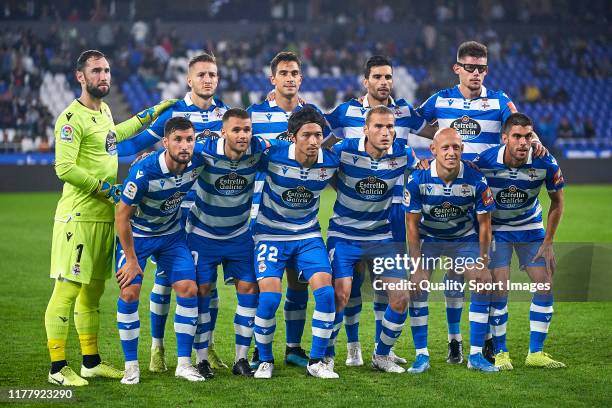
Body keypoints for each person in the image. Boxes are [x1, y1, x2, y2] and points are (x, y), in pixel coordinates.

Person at [45, 49, 175, 386]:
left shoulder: (102, 111)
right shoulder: (70, 120)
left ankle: (90, 362)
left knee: (92, 293)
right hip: (78, 218)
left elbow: (115, 134)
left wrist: (150, 115)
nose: (104, 76)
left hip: (105, 218)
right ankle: (58, 368)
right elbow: (64, 168)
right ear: (80, 77)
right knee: (67, 290)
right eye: (96, 71)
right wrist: (105, 189)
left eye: (107, 71)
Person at [416, 41, 546, 362]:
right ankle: (455, 340)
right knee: (456, 273)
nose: (476, 74)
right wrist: (425, 156)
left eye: (481, 68)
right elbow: (411, 122)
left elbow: (518, 124)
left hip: (486, 199)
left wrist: (536, 139)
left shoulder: (499, 100)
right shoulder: (439, 100)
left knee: (483, 273)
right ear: (457, 68)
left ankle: (486, 339)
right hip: (449, 198)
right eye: (470, 67)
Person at [118, 52, 231, 371]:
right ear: (189, 80)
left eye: (213, 74)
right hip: (171, 211)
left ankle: (204, 350)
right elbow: (140, 142)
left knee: (205, 286)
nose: (208, 79)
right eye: (202, 75)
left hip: (206, 212)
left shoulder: (224, 112)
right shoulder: (174, 111)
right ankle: (157, 348)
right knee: (165, 283)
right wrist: (110, 148)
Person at [324, 55, 436, 366]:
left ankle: (381, 351)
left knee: (394, 292)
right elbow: (317, 136)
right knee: (348, 289)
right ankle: (346, 348)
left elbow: (437, 135)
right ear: (366, 81)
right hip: (349, 223)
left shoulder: (403, 114)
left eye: (388, 76)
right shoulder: (346, 117)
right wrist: (346, 187)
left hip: (392, 215)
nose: (384, 82)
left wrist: (435, 159)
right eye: (378, 77)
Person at [247, 51, 330, 368]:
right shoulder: (256, 115)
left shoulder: (312, 114)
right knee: (264, 286)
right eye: (284, 73)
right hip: (260, 210)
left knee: (298, 283)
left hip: (301, 215)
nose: (290, 78)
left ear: (301, 78)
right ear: (273, 79)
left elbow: (326, 150)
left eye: (295, 73)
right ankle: (259, 350)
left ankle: (293, 348)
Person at [325, 106, 419, 373]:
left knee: (401, 297)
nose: (385, 132)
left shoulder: (403, 153)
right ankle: (327, 355)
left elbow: (427, 167)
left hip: (381, 237)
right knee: (340, 294)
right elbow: (324, 167)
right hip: (344, 235)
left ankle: (381, 354)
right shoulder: (344, 149)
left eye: (390, 127)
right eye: (378, 126)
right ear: (365, 129)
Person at [114, 117, 205, 384]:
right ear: (165, 142)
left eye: (190, 139)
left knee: (188, 289)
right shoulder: (144, 172)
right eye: (178, 139)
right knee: (130, 292)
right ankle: (131, 366)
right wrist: (131, 259)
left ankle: (184, 364)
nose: (185, 145)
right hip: (138, 237)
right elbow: (122, 216)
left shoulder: (198, 161)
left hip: (171, 237)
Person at [473, 113, 566, 370]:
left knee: (545, 283)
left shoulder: (545, 162)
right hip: (498, 229)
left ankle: (535, 353)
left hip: (530, 228)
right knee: (499, 288)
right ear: (505, 138)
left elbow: (557, 202)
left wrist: (548, 241)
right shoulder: (485, 161)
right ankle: (501, 353)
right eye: (516, 136)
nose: (523, 142)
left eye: (527, 136)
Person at [252, 107, 340, 379]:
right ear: (292, 137)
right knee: (269, 299)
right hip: (270, 234)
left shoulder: (330, 161)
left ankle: (317, 360)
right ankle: (264, 359)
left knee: (326, 293)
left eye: (318, 135)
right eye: (307, 135)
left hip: (307, 235)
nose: (314, 141)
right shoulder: (273, 154)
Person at [185, 108, 272, 377]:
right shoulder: (204, 150)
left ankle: (241, 359)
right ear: (223, 131)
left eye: (247, 130)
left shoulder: (258, 150)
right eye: (236, 130)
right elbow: (176, 155)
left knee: (249, 290)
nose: (243, 135)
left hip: (239, 235)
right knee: (202, 293)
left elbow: (280, 147)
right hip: (203, 235)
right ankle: (201, 360)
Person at [404, 128, 498, 373]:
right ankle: (421, 355)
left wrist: (483, 264)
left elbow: (485, 224)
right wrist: (416, 269)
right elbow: (411, 227)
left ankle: (476, 355)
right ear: (433, 150)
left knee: (481, 282)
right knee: (417, 286)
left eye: (456, 147)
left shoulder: (476, 179)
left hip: (462, 238)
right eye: (445, 147)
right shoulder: (418, 179)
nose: (451, 152)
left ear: (462, 150)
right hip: (429, 238)